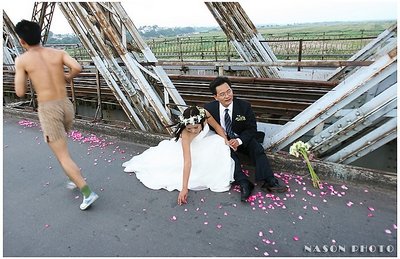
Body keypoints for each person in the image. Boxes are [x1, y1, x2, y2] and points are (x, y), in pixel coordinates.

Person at [14, 20, 98, 210]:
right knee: (63, 150)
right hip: (66, 105)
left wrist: (28, 76)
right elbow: (77, 67)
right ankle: (72, 179)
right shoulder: (58, 53)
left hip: (48, 109)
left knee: (62, 155)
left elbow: (20, 92)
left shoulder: (22, 60)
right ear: (39, 36)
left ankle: (87, 193)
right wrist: (67, 77)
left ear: (22, 41)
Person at [123, 106, 235, 205]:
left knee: (220, 142)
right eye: (189, 128)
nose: (193, 131)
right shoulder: (186, 134)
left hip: (204, 141)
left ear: (202, 121)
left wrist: (226, 140)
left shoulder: (204, 113)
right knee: (173, 166)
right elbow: (187, 161)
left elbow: (216, 127)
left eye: (196, 127)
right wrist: (184, 188)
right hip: (189, 147)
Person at [204, 76, 288, 202]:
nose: (227, 96)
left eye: (229, 91)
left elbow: (252, 128)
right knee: (230, 156)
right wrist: (225, 141)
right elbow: (207, 128)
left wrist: (239, 141)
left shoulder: (244, 106)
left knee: (257, 148)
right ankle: (244, 183)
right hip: (224, 141)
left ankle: (268, 180)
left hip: (243, 138)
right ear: (215, 97)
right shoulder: (209, 108)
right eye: (222, 94)